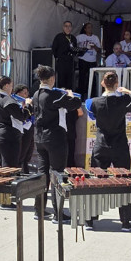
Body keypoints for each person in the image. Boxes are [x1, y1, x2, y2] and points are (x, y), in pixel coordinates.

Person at [85, 70, 131, 230]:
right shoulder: (124, 100)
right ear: (117, 83)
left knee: (95, 181)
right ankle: (125, 221)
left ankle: (90, 220)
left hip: (101, 144)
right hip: (119, 145)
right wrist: (128, 91)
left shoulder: (93, 102)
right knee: (123, 181)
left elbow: (90, 114)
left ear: (103, 83)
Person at [31, 64, 82, 221]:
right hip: (54, 138)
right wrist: (70, 94)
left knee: (42, 174)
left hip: (39, 138)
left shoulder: (35, 95)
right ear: (52, 78)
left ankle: (39, 210)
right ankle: (58, 213)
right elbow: (75, 104)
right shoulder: (53, 95)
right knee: (57, 174)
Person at [0, 75, 30, 168]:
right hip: (9, 137)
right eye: (11, 86)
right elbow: (22, 116)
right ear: (6, 86)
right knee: (9, 168)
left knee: (2, 168)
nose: (12, 88)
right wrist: (28, 106)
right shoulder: (8, 100)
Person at [51, 19, 79, 92]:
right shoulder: (59, 36)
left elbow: (75, 49)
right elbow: (54, 49)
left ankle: (69, 97)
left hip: (70, 62)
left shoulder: (73, 38)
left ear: (71, 28)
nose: (68, 28)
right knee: (61, 80)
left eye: (69, 26)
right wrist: (58, 57)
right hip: (61, 61)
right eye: (66, 26)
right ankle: (61, 96)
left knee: (70, 80)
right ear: (63, 27)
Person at [76, 22, 101, 96]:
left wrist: (94, 46)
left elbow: (99, 50)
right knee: (82, 78)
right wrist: (82, 49)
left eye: (91, 27)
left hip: (92, 60)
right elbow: (74, 45)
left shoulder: (95, 37)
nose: (90, 29)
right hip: (83, 59)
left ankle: (92, 94)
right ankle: (81, 94)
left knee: (92, 78)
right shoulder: (80, 37)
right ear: (85, 29)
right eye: (88, 27)